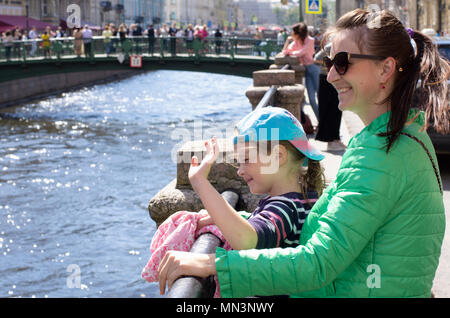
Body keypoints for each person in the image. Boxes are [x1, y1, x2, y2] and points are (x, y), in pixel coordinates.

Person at [158, 8, 448, 298]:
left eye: (343, 63)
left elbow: (318, 263)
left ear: (385, 69)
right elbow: (341, 225)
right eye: (329, 62)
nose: (331, 75)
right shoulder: (403, 137)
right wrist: (243, 219)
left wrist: (215, 265)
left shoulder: (382, 153)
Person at [157, 105, 325, 291]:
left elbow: (247, 241)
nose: (240, 170)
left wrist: (199, 182)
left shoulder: (285, 207)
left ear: (278, 156)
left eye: (246, 159)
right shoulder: (304, 196)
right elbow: (267, 228)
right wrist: (225, 216)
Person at [280, 22, 320, 121]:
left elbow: (301, 53)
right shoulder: (296, 42)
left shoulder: (310, 40)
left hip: (314, 68)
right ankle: (321, 121)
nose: (291, 34)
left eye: (292, 32)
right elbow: (284, 52)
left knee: (321, 97)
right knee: (311, 99)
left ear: (298, 33)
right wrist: (287, 41)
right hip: (306, 70)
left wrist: (290, 52)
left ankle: (325, 122)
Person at [314, 44, 347, 151]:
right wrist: (330, 63)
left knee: (337, 109)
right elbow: (316, 59)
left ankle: (336, 138)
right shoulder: (330, 46)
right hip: (326, 79)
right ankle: (330, 141)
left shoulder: (343, 45)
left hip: (336, 78)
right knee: (328, 109)